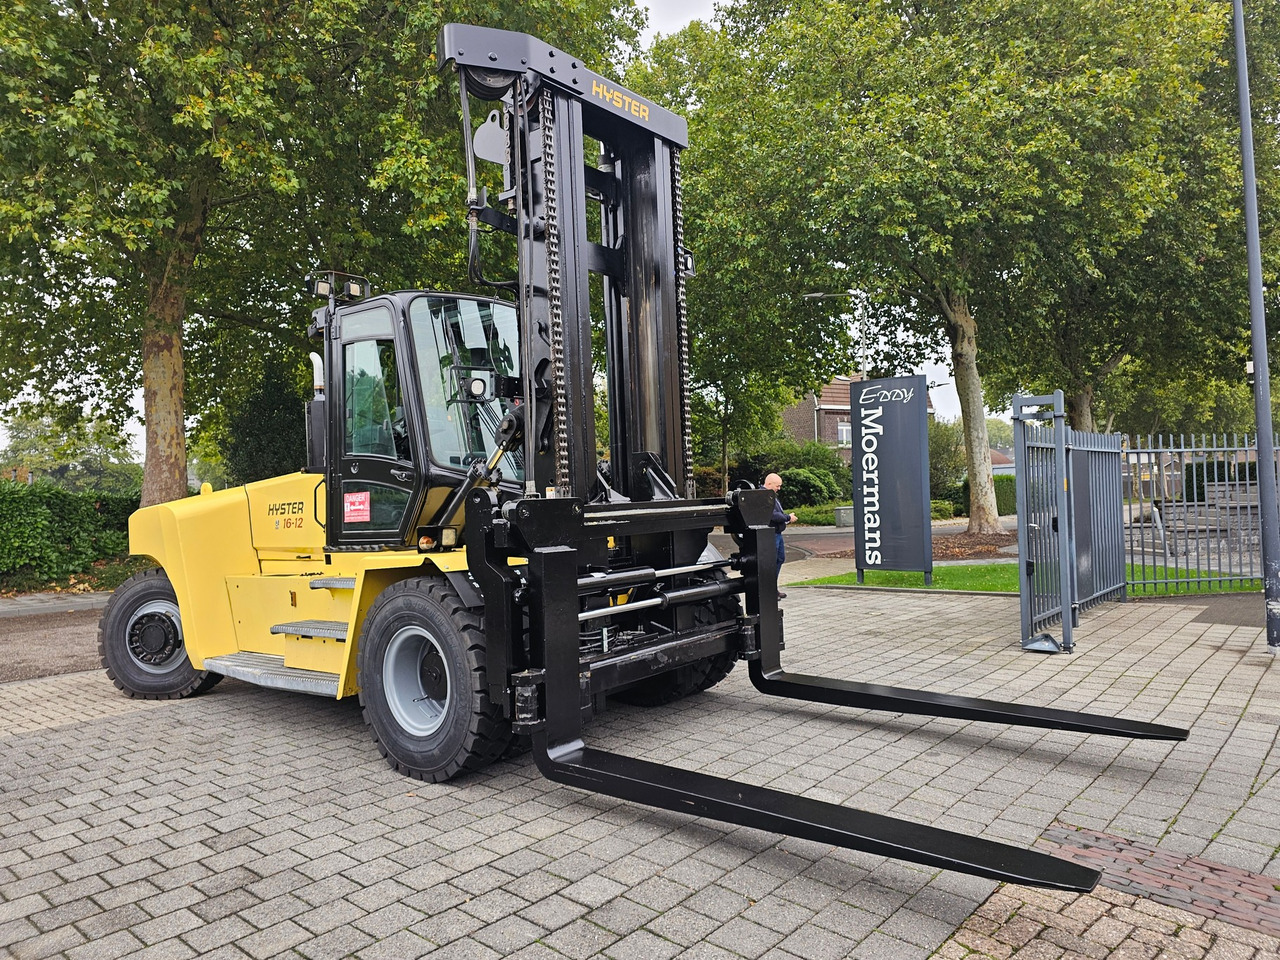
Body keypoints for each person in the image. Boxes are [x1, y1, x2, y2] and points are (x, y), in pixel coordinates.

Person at [763, 473, 797, 600]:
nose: (779, 488)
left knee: (780, 559)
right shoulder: (764, 496)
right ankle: (770, 590)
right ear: (769, 483)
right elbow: (772, 515)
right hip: (771, 534)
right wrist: (788, 517)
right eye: (777, 486)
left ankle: (773, 587)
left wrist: (786, 518)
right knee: (772, 561)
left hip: (777, 533)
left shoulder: (771, 495)